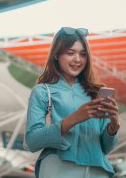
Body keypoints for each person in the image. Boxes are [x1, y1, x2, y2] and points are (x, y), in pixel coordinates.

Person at [25, 27, 120, 178]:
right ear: (56, 55)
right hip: (59, 167)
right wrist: (74, 118)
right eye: (70, 53)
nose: (77, 59)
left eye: (83, 54)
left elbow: (105, 148)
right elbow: (32, 141)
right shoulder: (42, 91)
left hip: (98, 170)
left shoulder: (96, 93)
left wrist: (113, 126)